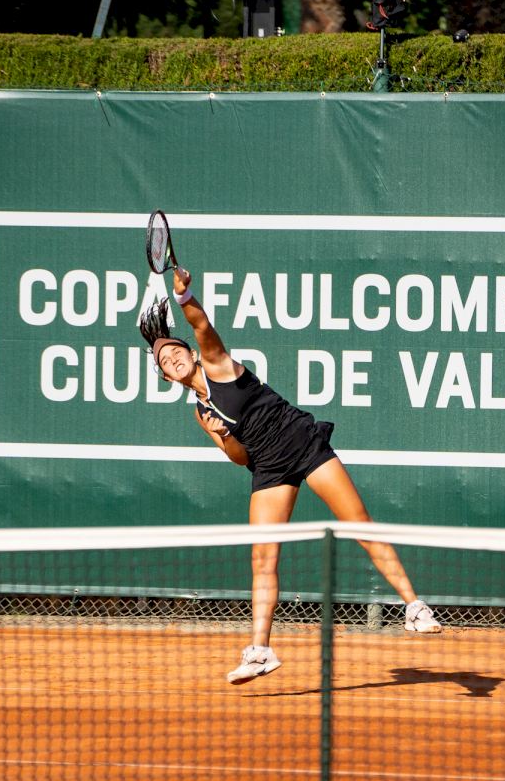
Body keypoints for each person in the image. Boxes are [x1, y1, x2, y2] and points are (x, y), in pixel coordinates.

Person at [139, 265, 441, 685]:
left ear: (191, 353)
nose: (172, 359)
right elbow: (239, 458)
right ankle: (260, 651)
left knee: (359, 523)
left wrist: (184, 297)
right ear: (167, 377)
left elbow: (202, 325)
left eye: (175, 352)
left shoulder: (217, 362)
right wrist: (224, 435)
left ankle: (414, 607)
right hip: (268, 465)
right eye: (164, 362)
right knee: (262, 558)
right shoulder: (201, 411)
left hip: (301, 442)